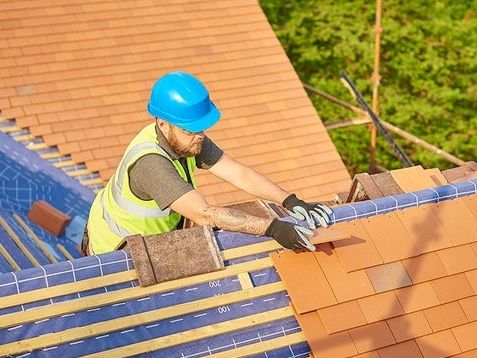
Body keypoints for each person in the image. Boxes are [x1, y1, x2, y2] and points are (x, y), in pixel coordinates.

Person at [85, 71, 332, 255]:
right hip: (116, 249)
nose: (199, 136)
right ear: (163, 124)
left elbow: (237, 173)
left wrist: (290, 201)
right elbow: (204, 214)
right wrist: (274, 229)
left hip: (152, 235)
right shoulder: (150, 164)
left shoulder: (186, 138)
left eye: (201, 128)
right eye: (190, 130)